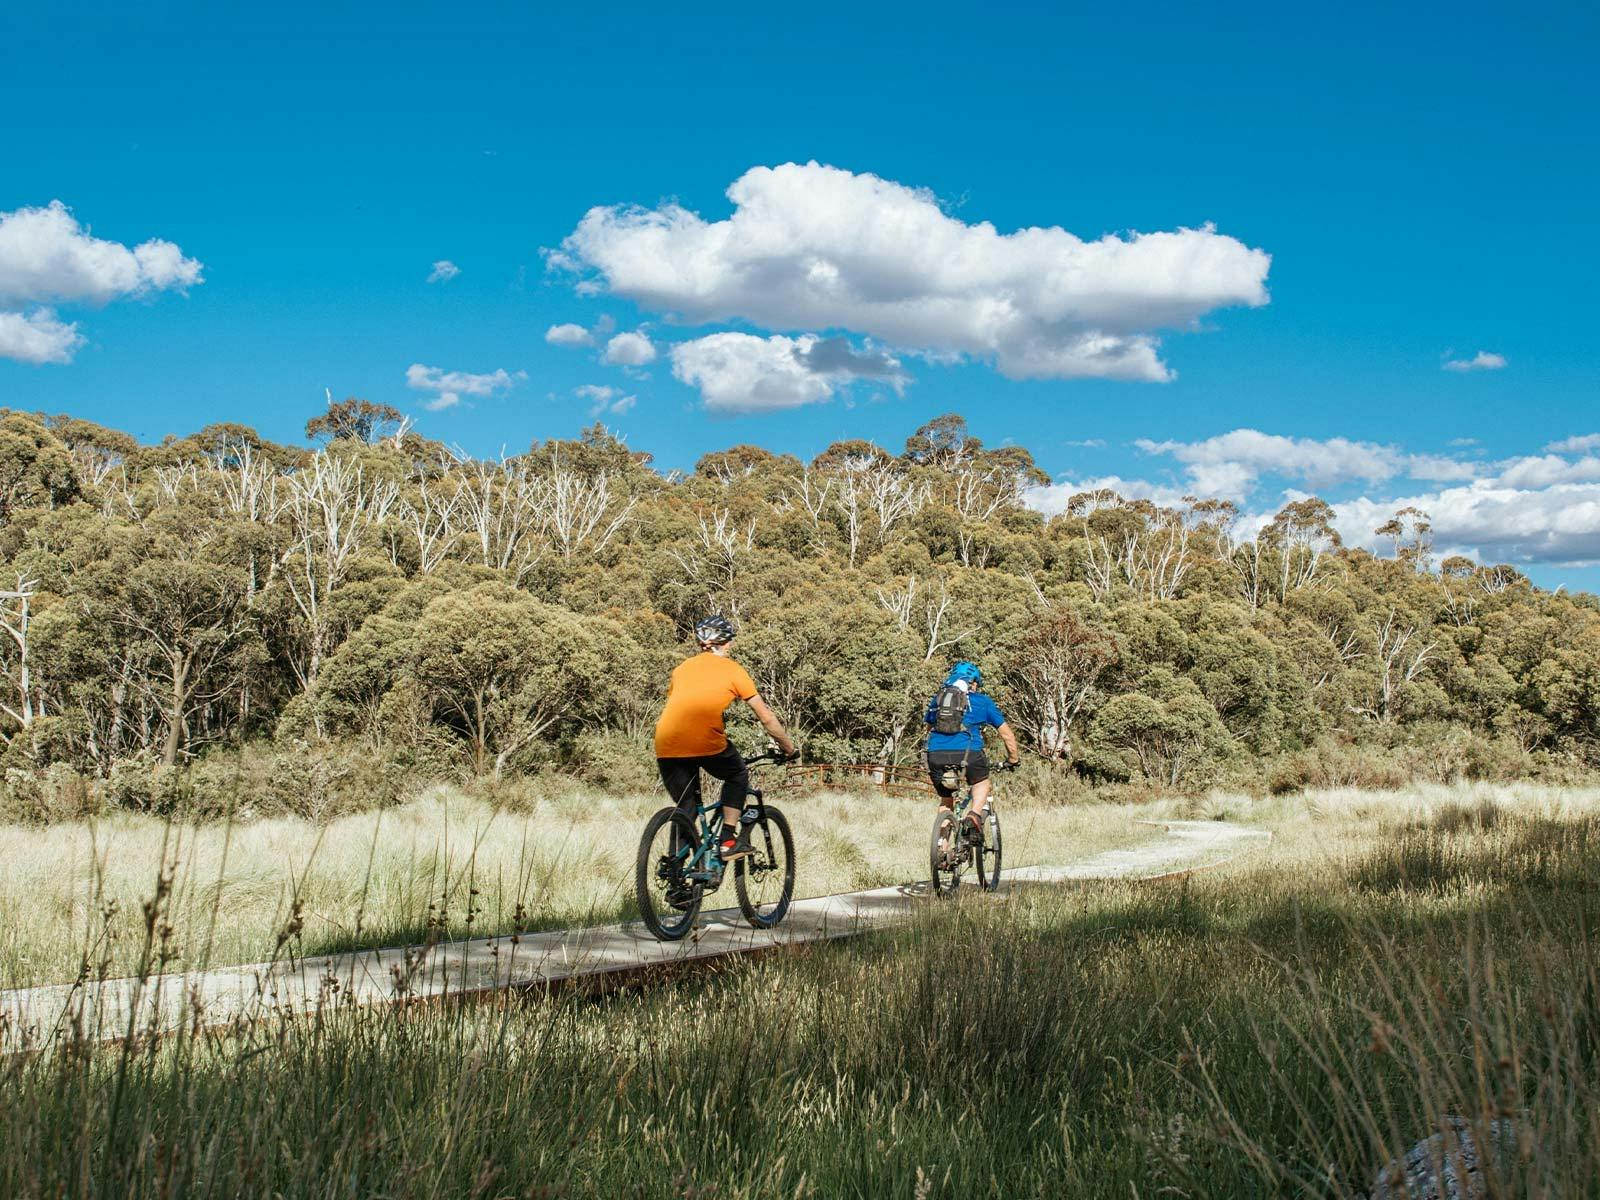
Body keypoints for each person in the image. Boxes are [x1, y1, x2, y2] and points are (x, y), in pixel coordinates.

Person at [654, 615, 798, 861]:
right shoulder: (733, 670)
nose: (731, 646)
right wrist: (789, 748)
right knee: (737, 774)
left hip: (666, 744)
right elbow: (766, 718)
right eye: (729, 641)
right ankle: (728, 841)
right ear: (723, 643)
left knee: (686, 808)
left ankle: (677, 873)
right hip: (705, 742)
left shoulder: (681, 669)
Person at [924, 661, 1020, 844]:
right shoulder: (982, 702)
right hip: (969, 754)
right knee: (981, 783)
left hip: (935, 755)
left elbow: (928, 729)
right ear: (973, 682)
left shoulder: (938, 699)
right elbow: (1007, 735)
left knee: (946, 801)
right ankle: (974, 816)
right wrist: (1013, 759)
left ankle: (942, 851)